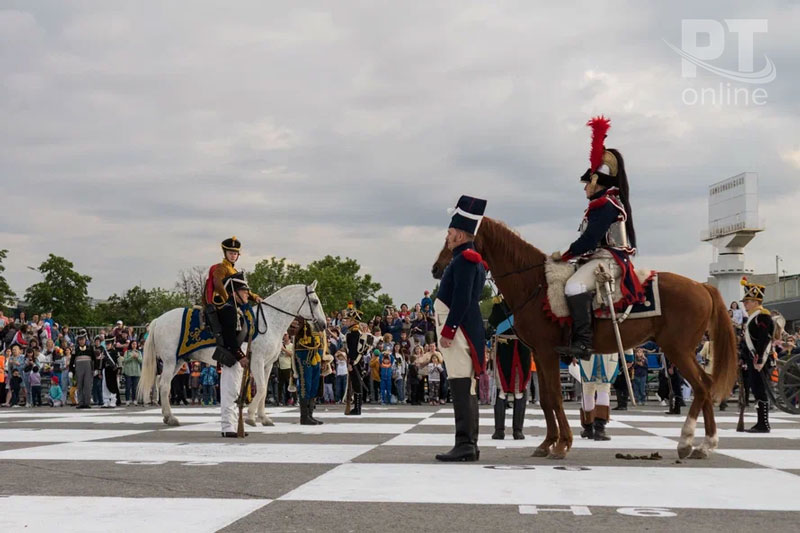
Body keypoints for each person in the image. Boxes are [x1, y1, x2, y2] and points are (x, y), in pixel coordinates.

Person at [551, 116, 642, 362]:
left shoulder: (605, 204)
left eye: (586, 183)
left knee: (573, 286)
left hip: (608, 259)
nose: (584, 188)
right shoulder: (602, 204)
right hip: (598, 257)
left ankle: (584, 342)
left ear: (596, 181)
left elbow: (590, 240)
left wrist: (564, 254)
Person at [434, 194, 487, 462]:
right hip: (463, 330)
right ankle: (468, 443)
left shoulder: (465, 259)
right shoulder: (466, 258)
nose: (447, 236)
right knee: (466, 387)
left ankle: (465, 442)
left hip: (459, 332)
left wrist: (448, 330)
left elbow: (462, 299)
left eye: (450, 231)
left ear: (461, 234)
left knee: (461, 384)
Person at [211, 272, 254, 438]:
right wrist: (240, 355)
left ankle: (233, 424)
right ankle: (228, 426)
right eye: (244, 291)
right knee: (230, 390)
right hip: (231, 356)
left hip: (235, 355)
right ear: (234, 293)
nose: (247, 294)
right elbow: (229, 337)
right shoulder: (229, 310)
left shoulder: (236, 310)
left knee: (235, 390)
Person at [204, 237, 262, 347]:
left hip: (236, 301)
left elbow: (242, 290)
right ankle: (231, 345)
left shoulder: (234, 270)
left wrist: (255, 297)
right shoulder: (221, 267)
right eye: (230, 253)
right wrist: (228, 299)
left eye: (235, 254)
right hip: (223, 301)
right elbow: (218, 283)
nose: (233, 256)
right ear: (225, 253)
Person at [487, 295, 531, 440]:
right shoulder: (500, 304)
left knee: (519, 390)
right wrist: (500, 306)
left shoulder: (527, 303)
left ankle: (517, 430)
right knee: (501, 389)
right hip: (504, 349)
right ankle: (499, 430)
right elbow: (493, 322)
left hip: (521, 350)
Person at [740, 277, 775, 433]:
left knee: (760, 389)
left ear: (755, 302)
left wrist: (759, 357)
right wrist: (743, 357)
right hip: (753, 358)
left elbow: (764, 338)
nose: (745, 304)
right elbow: (750, 340)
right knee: (756, 389)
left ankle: (763, 424)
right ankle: (761, 422)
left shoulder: (762, 316)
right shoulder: (753, 317)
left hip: (760, 359)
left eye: (747, 302)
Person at [578, 352, 628, 440]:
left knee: (587, 391)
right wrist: (629, 356)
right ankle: (599, 429)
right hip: (607, 357)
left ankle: (588, 428)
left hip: (587, 357)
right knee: (603, 390)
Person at [293, 318, 323, 425]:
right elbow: (292, 331)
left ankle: (310, 414)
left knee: (314, 385)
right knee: (305, 385)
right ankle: (304, 416)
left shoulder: (318, 319)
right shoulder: (299, 318)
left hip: (317, 353)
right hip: (304, 352)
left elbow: (322, 335)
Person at [343, 303, 364, 415]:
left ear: (352, 321)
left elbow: (352, 350)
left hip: (354, 361)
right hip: (358, 361)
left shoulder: (353, 334)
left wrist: (350, 363)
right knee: (357, 383)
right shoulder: (356, 332)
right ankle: (357, 407)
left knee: (356, 383)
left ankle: (357, 408)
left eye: (347, 319)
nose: (345, 321)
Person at [120, 340, 142, 406]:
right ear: (131, 345)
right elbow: (125, 361)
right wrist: (131, 357)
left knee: (135, 387)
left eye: (135, 344)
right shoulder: (127, 352)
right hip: (128, 372)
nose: (134, 345)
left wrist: (137, 357)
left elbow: (141, 361)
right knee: (128, 387)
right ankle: (127, 400)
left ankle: (134, 400)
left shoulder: (139, 352)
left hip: (136, 372)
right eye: (133, 344)